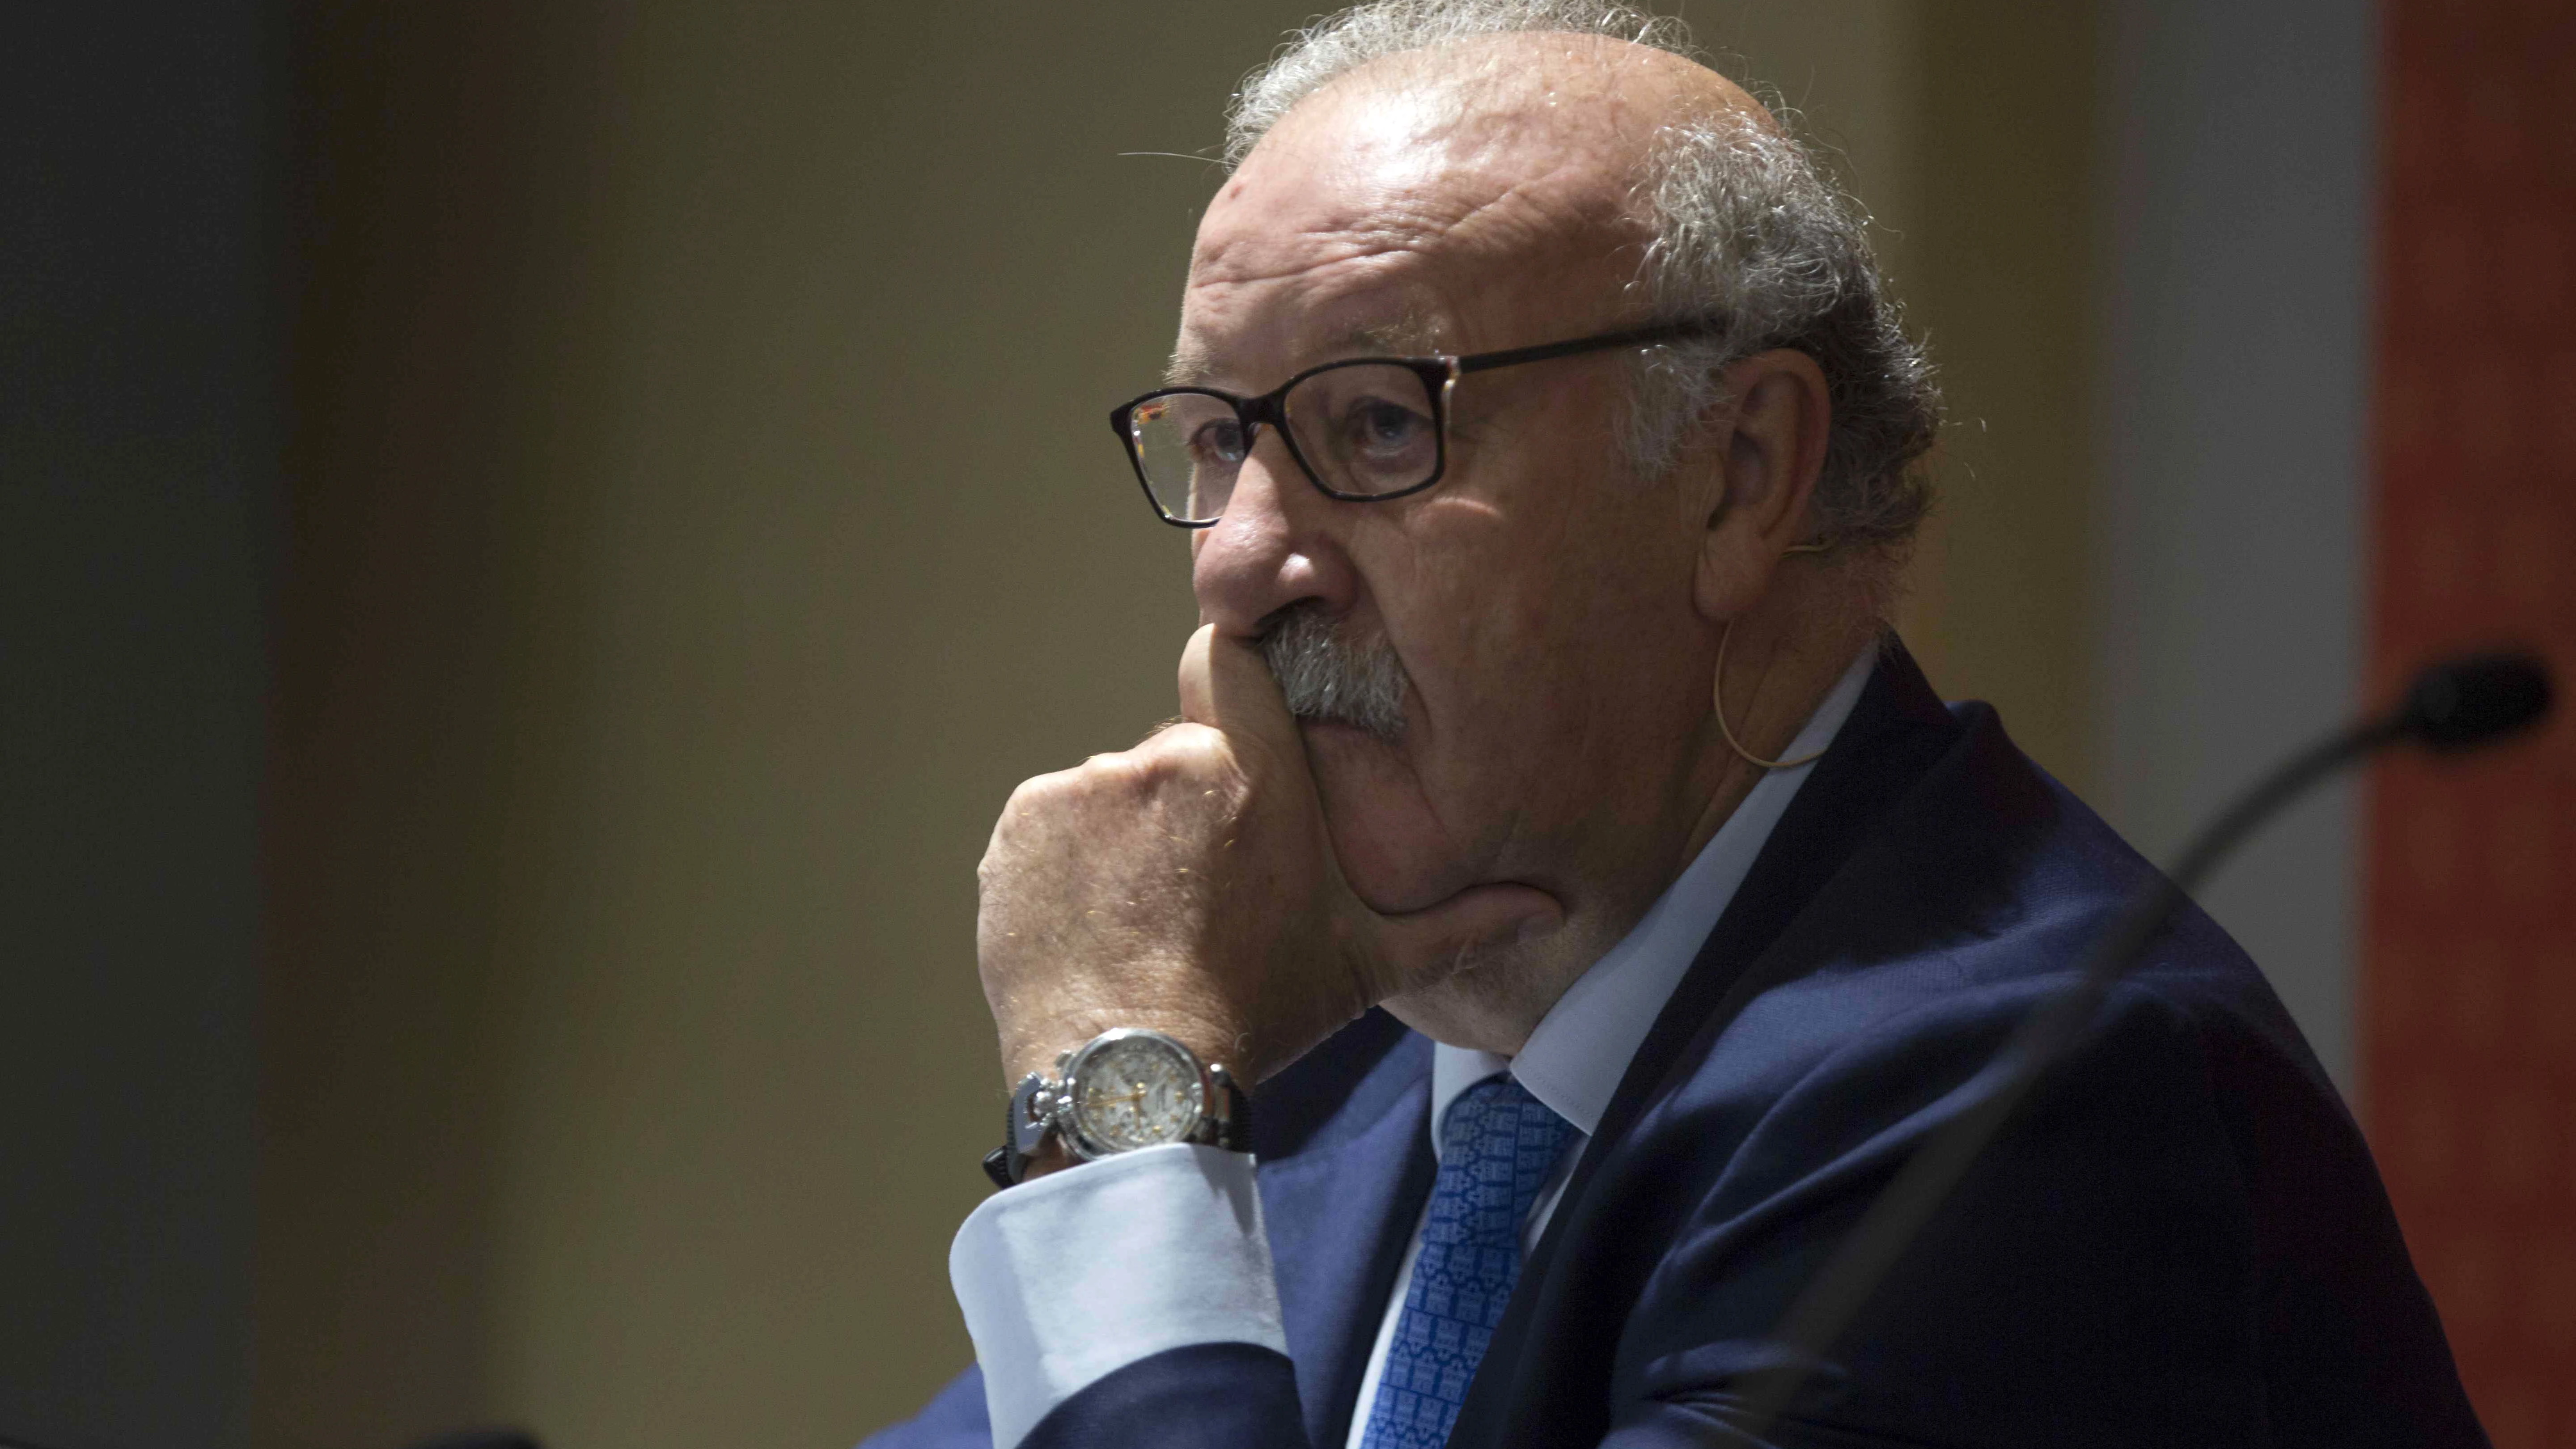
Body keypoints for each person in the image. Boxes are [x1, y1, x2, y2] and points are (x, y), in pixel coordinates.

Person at [866, 3, 2485, 1446]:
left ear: (1740, 475)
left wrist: (1114, 1089)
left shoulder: (2035, 1116)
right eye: (1219, 442)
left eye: (1373, 422)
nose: (1236, 567)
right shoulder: (1350, 1035)